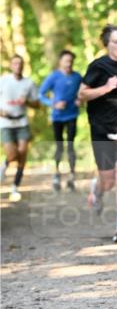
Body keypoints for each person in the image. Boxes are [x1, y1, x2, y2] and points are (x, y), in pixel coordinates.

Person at [78, 24, 117, 243]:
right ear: (107, 43)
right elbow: (82, 94)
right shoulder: (97, 66)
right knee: (109, 181)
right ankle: (98, 188)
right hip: (102, 130)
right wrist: (106, 88)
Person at [39, 49, 82, 191]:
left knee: (70, 146)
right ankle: (56, 174)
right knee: (59, 146)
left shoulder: (77, 77)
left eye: (71, 61)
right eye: (66, 60)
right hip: (57, 116)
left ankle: (71, 177)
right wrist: (53, 104)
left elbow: (83, 92)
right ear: (60, 62)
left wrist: (80, 99)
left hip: (72, 116)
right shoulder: (53, 77)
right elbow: (41, 94)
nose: (69, 63)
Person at [0, 54, 40, 202]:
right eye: (15, 63)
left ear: (23, 66)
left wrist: (27, 102)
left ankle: (15, 187)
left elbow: (37, 104)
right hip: (6, 123)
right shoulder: (3, 81)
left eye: (20, 64)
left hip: (22, 122)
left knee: (22, 155)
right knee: (12, 154)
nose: (18, 66)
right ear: (11, 65)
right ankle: (3, 167)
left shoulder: (29, 83)